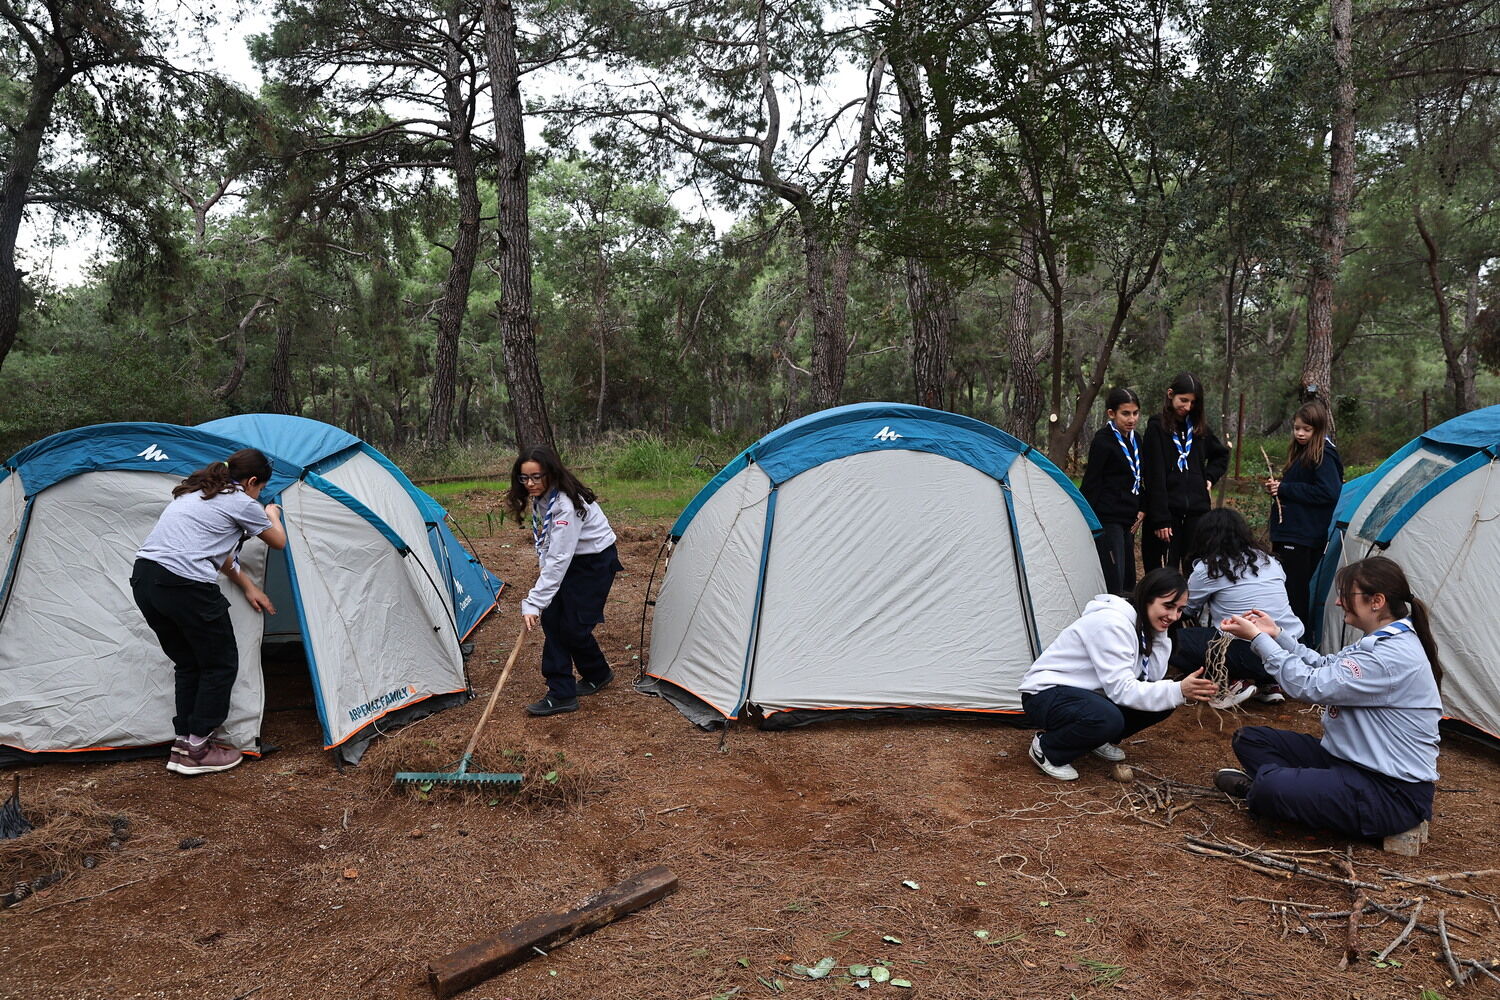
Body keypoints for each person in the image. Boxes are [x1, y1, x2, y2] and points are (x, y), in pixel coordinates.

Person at [1214, 556, 1442, 840]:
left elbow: (1309, 685)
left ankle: (1270, 792)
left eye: (1346, 595)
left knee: (1269, 787)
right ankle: (1298, 793)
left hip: (1389, 793)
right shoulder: (1381, 640)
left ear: (1376, 601)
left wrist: (1259, 641)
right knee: (1250, 740)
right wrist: (1277, 635)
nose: (1337, 601)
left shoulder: (1389, 656)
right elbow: (1324, 665)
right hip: (1348, 761)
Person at [131, 449, 287, 776]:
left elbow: (218, 553)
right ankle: (198, 750)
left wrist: (248, 585)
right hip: (185, 585)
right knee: (220, 663)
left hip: (145, 579)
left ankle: (184, 743)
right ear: (253, 481)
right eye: (260, 489)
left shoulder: (197, 493)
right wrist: (271, 512)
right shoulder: (243, 501)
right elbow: (278, 541)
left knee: (189, 663)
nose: (258, 495)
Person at [1018, 568, 1219, 781]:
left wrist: (1160, 635)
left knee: (1163, 701)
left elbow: (1153, 677)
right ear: (1147, 598)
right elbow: (1122, 690)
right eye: (1168, 606)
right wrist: (1178, 689)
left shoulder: (1143, 624)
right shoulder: (1112, 624)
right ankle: (1048, 748)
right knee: (1109, 717)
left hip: (1088, 694)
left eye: (1180, 609)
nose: (1174, 616)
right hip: (1044, 694)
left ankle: (1094, 738)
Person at [506, 446, 623, 717]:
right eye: (524, 478)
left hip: (594, 562)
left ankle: (566, 691)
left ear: (551, 473)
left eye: (536, 477)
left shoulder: (566, 505)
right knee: (554, 619)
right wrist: (544, 596)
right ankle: (591, 676)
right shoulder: (542, 498)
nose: (530, 484)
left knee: (571, 627)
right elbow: (549, 548)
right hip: (571, 560)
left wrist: (534, 601)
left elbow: (559, 557)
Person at [1171, 508, 1303, 706]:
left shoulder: (1210, 567)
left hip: (1251, 654)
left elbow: (1186, 609)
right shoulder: (1270, 561)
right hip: (1291, 648)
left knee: (1175, 641)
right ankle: (1270, 684)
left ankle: (1229, 682)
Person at [1266, 399, 1343, 636]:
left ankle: (1297, 644)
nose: (1300, 433)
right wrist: (1279, 488)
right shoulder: (1303, 452)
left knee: (1295, 595)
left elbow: (1328, 492)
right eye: (1297, 428)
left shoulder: (1324, 455)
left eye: (1306, 430)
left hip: (1302, 537)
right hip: (1291, 533)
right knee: (1289, 592)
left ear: (1318, 430)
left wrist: (1287, 489)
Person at [1141, 372, 1230, 574]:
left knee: (1196, 571)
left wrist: (1208, 477)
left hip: (1197, 513)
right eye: (1183, 400)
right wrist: (1160, 518)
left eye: (1192, 402)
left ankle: (1193, 606)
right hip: (1168, 515)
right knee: (1165, 575)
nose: (1187, 407)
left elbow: (1221, 456)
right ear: (1170, 394)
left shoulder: (1199, 429)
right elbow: (1154, 476)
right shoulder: (1156, 427)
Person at [1080, 387, 1145, 594]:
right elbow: (1092, 482)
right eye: (1125, 413)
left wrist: (1142, 508)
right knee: (1114, 578)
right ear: (1111, 413)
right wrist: (1087, 520)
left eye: (1135, 413)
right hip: (1108, 518)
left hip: (1129, 519)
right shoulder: (1103, 440)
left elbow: (1139, 478)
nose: (1131, 419)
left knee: (1128, 578)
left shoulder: (1137, 440)